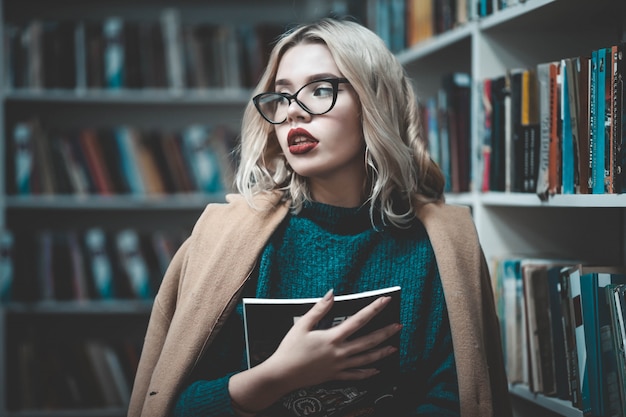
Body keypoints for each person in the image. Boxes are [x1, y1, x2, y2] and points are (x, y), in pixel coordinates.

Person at [128, 17, 512, 417]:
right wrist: (278, 375)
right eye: (282, 96)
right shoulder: (229, 241)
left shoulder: (440, 242)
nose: (293, 112)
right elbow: (174, 406)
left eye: (320, 89)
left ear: (374, 100)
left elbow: (454, 397)